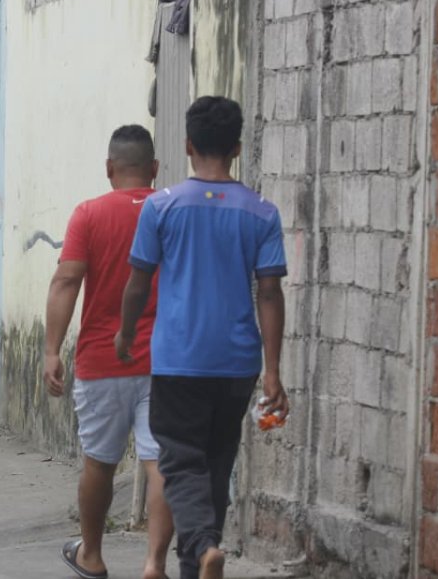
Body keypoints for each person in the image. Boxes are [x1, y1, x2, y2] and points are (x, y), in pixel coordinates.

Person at [115, 97, 288, 579]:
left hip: (178, 359)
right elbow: (270, 294)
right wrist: (273, 370)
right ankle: (197, 566)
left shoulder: (161, 207)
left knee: (179, 458)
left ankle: (204, 544)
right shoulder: (261, 212)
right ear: (236, 147)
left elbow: (138, 282)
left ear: (188, 145)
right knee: (215, 464)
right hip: (238, 363)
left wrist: (126, 334)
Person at [45, 125, 174, 579]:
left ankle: (92, 555)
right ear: (154, 169)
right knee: (160, 462)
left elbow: (67, 279)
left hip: (104, 361)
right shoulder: (172, 209)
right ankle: (155, 564)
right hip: (167, 360)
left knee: (99, 461)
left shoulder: (89, 214)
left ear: (109, 168)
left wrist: (51, 351)